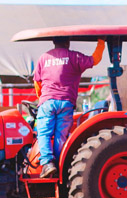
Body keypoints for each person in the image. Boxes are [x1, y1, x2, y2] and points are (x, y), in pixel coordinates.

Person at [33, 37, 104, 178]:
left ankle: (47, 164)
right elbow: (95, 59)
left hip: (47, 102)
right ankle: (60, 165)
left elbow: (37, 82)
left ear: (54, 43)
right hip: (66, 102)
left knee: (43, 134)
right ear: (68, 43)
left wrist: (42, 96)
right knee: (61, 135)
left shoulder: (44, 57)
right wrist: (101, 42)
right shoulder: (74, 56)